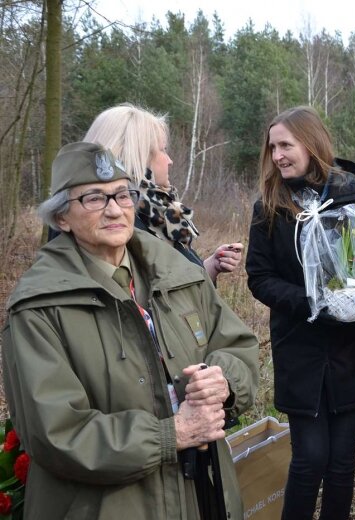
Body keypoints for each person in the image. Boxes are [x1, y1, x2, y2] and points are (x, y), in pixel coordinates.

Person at [2, 142, 260, 518]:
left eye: (122, 195)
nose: (113, 209)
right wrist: (172, 435)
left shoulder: (178, 273)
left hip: (203, 494)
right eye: (93, 198)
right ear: (61, 218)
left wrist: (224, 380)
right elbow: (56, 433)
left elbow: (237, 345)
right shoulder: (38, 307)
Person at [246, 106, 355, 520]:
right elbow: (259, 277)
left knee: (341, 464)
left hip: (352, 351)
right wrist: (312, 301)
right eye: (273, 147)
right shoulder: (269, 207)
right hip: (301, 350)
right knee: (310, 459)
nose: (278, 155)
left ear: (312, 143)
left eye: (286, 145)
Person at [84, 103, 243, 283]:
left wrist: (211, 266)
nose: (170, 160)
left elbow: (175, 287)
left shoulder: (155, 212)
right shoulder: (120, 222)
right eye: (163, 149)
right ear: (138, 154)